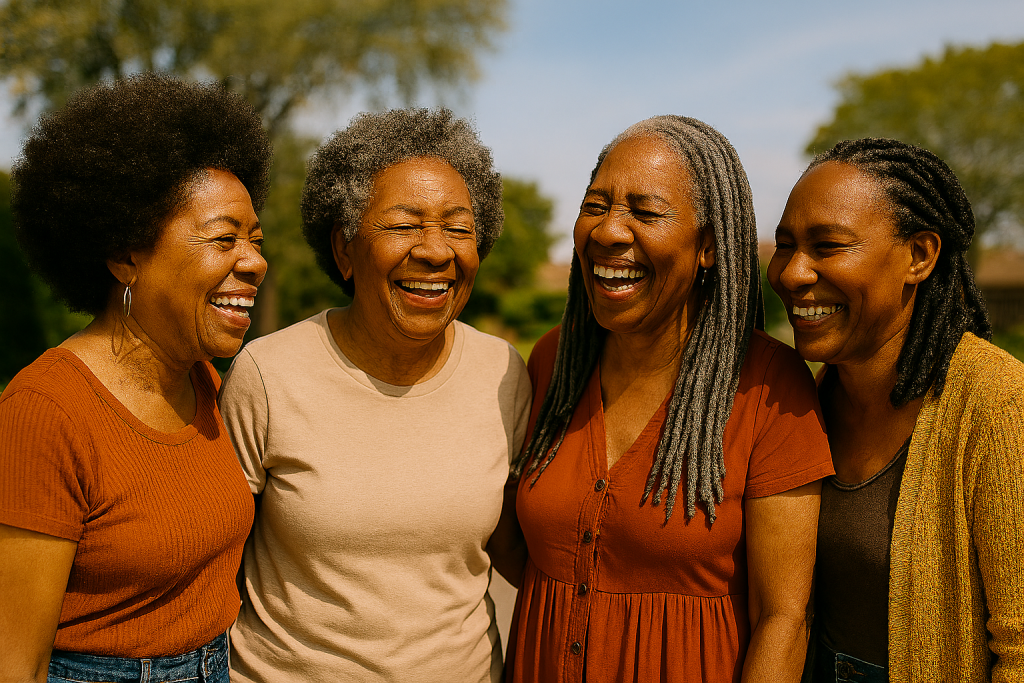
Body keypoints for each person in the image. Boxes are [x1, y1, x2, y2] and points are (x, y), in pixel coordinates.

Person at [504, 115, 835, 683]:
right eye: (596, 205)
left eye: (645, 211)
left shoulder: (768, 388)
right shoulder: (553, 362)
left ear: (708, 246)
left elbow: (783, 619)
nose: (609, 231)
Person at [219, 107, 532, 682]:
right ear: (344, 249)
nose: (436, 251)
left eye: (459, 228)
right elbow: (211, 562)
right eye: (405, 224)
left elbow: (519, 548)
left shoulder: (503, 372)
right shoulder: (267, 373)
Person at [0, 74, 271, 682]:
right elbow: (14, 663)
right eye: (223, 238)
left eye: (254, 239)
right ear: (127, 254)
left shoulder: (206, 383)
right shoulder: (45, 412)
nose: (254, 261)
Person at [768, 138, 1024, 682]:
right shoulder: (803, 401)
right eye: (785, 245)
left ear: (919, 256)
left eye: (828, 246)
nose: (792, 274)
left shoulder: (997, 406)